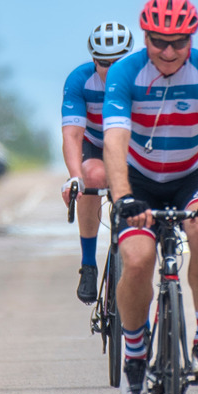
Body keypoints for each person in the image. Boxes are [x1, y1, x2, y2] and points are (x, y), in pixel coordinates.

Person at [103, 0, 198, 394]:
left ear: (191, 40)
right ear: (145, 37)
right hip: (139, 179)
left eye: (179, 42)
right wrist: (123, 196)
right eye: (159, 41)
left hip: (193, 172)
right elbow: (114, 138)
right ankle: (134, 353)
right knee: (140, 259)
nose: (168, 51)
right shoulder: (125, 73)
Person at [60, 22, 134, 304]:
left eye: (120, 62)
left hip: (133, 147)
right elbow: (72, 133)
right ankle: (89, 264)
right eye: (105, 63)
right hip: (97, 144)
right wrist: (74, 177)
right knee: (90, 176)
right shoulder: (80, 80)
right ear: (93, 61)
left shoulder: (145, 80)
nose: (113, 70)